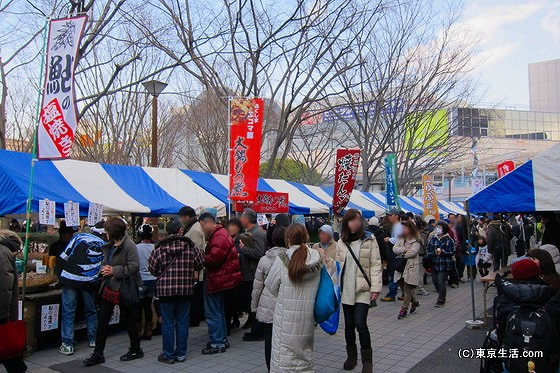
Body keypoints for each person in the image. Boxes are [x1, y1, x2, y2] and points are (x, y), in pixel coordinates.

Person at [84, 218, 143, 366]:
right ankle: (98, 353)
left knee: (127, 320)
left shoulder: (129, 245)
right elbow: (106, 262)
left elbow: (134, 266)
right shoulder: (109, 246)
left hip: (124, 287)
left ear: (114, 232)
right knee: (102, 321)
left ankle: (136, 349)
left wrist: (114, 270)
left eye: (107, 231)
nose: (105, 233)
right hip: (108, 287)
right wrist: (104, 269)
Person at [265, 224, 322, 373]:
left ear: (288, 239)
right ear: (306, 237)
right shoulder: (317, 258)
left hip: (285, 317)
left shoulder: (282, 259)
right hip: (307, 317)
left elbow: (270, 286)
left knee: (283, 358)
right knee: (304, 354)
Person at [148, 218, 204, 364]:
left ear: (167, 232)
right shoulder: (190, 247)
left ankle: (168, 354)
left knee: (167, 323)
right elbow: (200, 263)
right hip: (186, 290)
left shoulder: (159, 249)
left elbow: (152, 270)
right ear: (180, 230)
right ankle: (181, 353)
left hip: (165, 291)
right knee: (182, 322)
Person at [336, 209, 382, 373]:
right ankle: (351, 356)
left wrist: (375, 288)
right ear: (346, 223)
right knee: (349, 326)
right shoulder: (341, 241)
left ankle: (367, 362)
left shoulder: (370, 239)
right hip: (346, 289)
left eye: (357, 220)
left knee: (360, 324)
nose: (355, 223)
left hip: (363, 289)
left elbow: (376, 264)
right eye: (351, 220)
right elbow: (336, 265)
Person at [56, 231, 106, 355]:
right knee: (91, 310)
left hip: (69, 278)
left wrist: (59, 275)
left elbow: (63, 257)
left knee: (68, 311)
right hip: (88, 282)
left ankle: (67, 344)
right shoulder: (105, 245)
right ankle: (93, 339)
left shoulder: (79, 237)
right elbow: (102, 267)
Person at [199, 213, 242, 354]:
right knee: (218, 310)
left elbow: (213, 259)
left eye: (202, 225)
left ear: (207, 223)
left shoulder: (219, 236)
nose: (202, 229)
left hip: (217, 278)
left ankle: (217, 342)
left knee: (213, 312)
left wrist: (200, 256)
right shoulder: (221, 234)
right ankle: (221, 339)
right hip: (221, 278)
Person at [251, 226, 287, 371]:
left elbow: (257, 287)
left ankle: (270, 369)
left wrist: (254, 306)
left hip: (267, 305)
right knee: (284, 343)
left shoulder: (264, 260)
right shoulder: (292, 258)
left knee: (269, 343)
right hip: (285, 306)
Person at [0, 230, 27, 373]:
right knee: (8, 347)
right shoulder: (3, 253)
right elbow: (4, 287)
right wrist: (5, 315)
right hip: (2, 311)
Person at [239, 208, 267, 340]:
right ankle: (253, 325)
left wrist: (244, 250)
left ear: (247, 219)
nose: (240, 219)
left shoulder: (257, 233)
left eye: (242, 217)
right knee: (250, 300)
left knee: (255, 301)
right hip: (249, 272)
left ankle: (258, 331)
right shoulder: (250, 232)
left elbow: (259, 253)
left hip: (254, 273)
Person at [178, 206, 206, 328]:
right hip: (196, 269)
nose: (181, 220)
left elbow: (196, 251)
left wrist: (195, 269)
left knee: (195, 296)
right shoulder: (194, 227)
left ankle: (195, 318)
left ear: (187, 216)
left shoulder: (194, 230)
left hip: (196, 269)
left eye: (182, 217)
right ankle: (196, 317)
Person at [393, 221, 421, 319]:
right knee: (402, 286)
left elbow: (413, 252)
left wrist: (402, 253)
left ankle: (404, 309)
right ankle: (415, 302)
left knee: (407, 288)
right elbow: (394, 249)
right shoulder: (400, 238)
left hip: (410, 267)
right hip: (400, 266)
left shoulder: (416, 240)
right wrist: (404, 249)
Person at [425, 221, 455, 307]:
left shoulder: (449, 240)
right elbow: (428, 249)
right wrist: (432, 254)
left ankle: (441, 298)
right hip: (434, 263)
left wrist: (443, 252)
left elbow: (452, 252)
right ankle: (441, 293)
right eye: (437, 227)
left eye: (440, 228)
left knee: (441, 281)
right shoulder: (433, 238)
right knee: (435, 281)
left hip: (444, 264)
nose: (438, 229)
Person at [136, 224, 156, 341]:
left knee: (138, 307)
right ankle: (148, 331)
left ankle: (138, 331)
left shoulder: (136, 248)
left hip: (140, 280)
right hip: (153, 280)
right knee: (148, 306)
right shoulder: (155, 247)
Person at [225, 218, 243, 333]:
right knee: (230, 301)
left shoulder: (241, 240)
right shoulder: (226, 239)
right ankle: (232, 320)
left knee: (233, 300)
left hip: (237, 273)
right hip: (229, 274)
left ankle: (235, 319)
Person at [381, 208, 402, 302]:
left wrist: (389, 239)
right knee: (396, 273)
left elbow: (398, 240)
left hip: (395, 253)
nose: (389, 217)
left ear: (396, 216)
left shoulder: (398, 226)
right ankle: (405, 294)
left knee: (392, 273)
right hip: (394, 252)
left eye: (391, 215)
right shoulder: (395, 226)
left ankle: (392, 293)